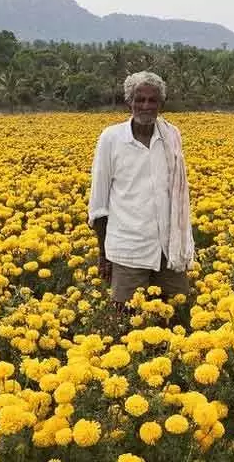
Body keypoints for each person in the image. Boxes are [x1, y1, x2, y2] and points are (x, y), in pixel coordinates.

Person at [88, 71, 195, 327]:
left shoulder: (171, 136)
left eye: (152, 100)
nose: (145, 106)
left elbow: (177, 192)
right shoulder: (111, 139)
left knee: (175, 317)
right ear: (129, 102)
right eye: (140, 99)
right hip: (128, 249)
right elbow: (99, 204)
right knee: (125, 322)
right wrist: (103, 256)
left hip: (169, 248)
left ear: (161, 104)